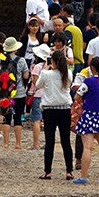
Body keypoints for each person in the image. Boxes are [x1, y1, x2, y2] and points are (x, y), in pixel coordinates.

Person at [73, 57, 99, 184]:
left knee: (87, 147)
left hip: (89, 116)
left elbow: (77, 96)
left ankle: (83, 176)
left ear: (92, 68)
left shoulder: (88, 82)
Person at [35, 50, 74, 180]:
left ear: (53, 61)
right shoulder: (68, 73)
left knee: (49, 141)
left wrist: (45, 69)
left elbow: (37, 85)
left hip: (49, 110)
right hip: (64, 109)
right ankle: (69, 171)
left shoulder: (46, 74)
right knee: (66, 141)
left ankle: (48, 171)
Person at [0, 37, 28, 150]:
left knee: (6, 118)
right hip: (19, 93)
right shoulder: (21, 60)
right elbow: (26, 76)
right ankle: (18, 144)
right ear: (15, 49)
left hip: (5, 94)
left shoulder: (0, 60)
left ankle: (6, 143)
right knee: (17, 118)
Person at [29, 44, 50, 150]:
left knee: (36, 120)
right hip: (48, 95)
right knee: (47, 120)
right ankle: (48, 142)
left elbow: (35, 82)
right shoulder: (51, 67)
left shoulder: (37, 67)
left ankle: (36, 144)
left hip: (38, 95)